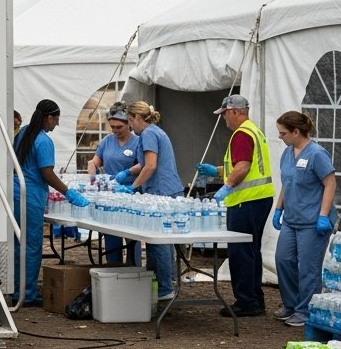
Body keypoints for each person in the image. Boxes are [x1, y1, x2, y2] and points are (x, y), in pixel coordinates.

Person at [196, 94, 274, 317]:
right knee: (252, 251)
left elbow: (243, 167)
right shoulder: (253, 131)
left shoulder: (241, 134)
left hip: (245, 201)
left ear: (234, 111)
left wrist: (227, 186)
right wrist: (217, 172)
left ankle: (246, 301)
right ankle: (254, 299)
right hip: (258, 198)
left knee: (240, 251)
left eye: (224, 115)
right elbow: (241, 166)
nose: (224, 120)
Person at [12, 99, 88, 305]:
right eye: (56, 119)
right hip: (31, 195)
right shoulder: (44, 141)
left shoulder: (25, 132)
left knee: (18, 244)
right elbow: (47, 173)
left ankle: (15, 289)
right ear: (49, 117)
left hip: (16, 191)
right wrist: (69, 192)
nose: (57, 124)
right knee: (31, 245)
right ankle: (27, 294)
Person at [271, 111, 337, 327]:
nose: (280, 137)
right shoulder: (287, 154)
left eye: (283, 133)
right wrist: (279, 208)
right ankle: (291, 304)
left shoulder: (317, 154)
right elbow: (288, 183)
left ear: (296, 132)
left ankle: (306, 310)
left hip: (313, 221)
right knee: (283, 260)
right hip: (292, 219)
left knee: (308, 268)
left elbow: (330, 183)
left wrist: (323, 215)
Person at [118, 101, 186, 300]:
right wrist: (127, 172)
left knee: (160, 241)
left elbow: (150, 166)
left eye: (130, 121)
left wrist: (133, 186)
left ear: (136, 118)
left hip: (162, 192)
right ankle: (164, 282)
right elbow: (144, 163)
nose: (130, 126)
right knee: (162, 240)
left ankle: (164, 288)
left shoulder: (148, 134)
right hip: (168, 189)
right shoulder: (155, 132)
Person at [86, 104, 141, 265]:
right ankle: (114, 268)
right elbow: (95, 161)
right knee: (111, 235)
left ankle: (134, 268)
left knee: (132, 236)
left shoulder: (138, 141)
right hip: (110, 195)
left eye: (119, 127)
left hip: (131, 193)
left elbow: (144, 165)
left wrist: (126, 174)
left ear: (129, 124)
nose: (115, 130)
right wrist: (92, 174)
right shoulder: (107, 141)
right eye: (112, 127)